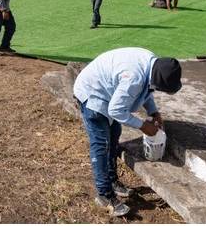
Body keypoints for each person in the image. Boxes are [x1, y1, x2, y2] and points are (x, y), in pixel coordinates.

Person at [73, 47, 182, 217]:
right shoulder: (134, 78)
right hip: (92, 93)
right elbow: (116, 110)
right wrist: (143, 126)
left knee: (114, 135)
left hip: (107, 92)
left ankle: (112, 181)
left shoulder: (153, 64)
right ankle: (104, 195)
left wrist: (153, 112)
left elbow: (147, 90)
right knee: (102, 144)